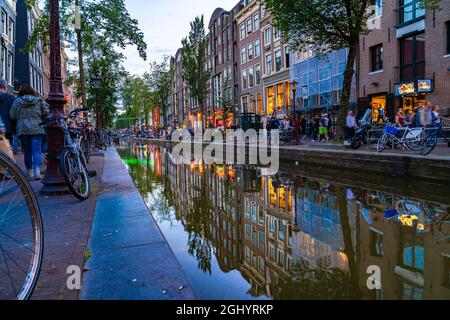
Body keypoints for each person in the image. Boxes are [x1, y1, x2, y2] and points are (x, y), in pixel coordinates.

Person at [9, 85, 49, 180]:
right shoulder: (39, 100)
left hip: (23, 129)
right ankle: (38, 172)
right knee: (37, 151)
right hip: (37, 128)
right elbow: (46, 112)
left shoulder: (16, 101)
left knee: (27, 151)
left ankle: (30, 172)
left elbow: (12, 116)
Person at [0, 79, 16, 147]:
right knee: (6, 150)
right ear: (5, 87)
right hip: (7, 128)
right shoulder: (11, 98)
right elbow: (14, 114)